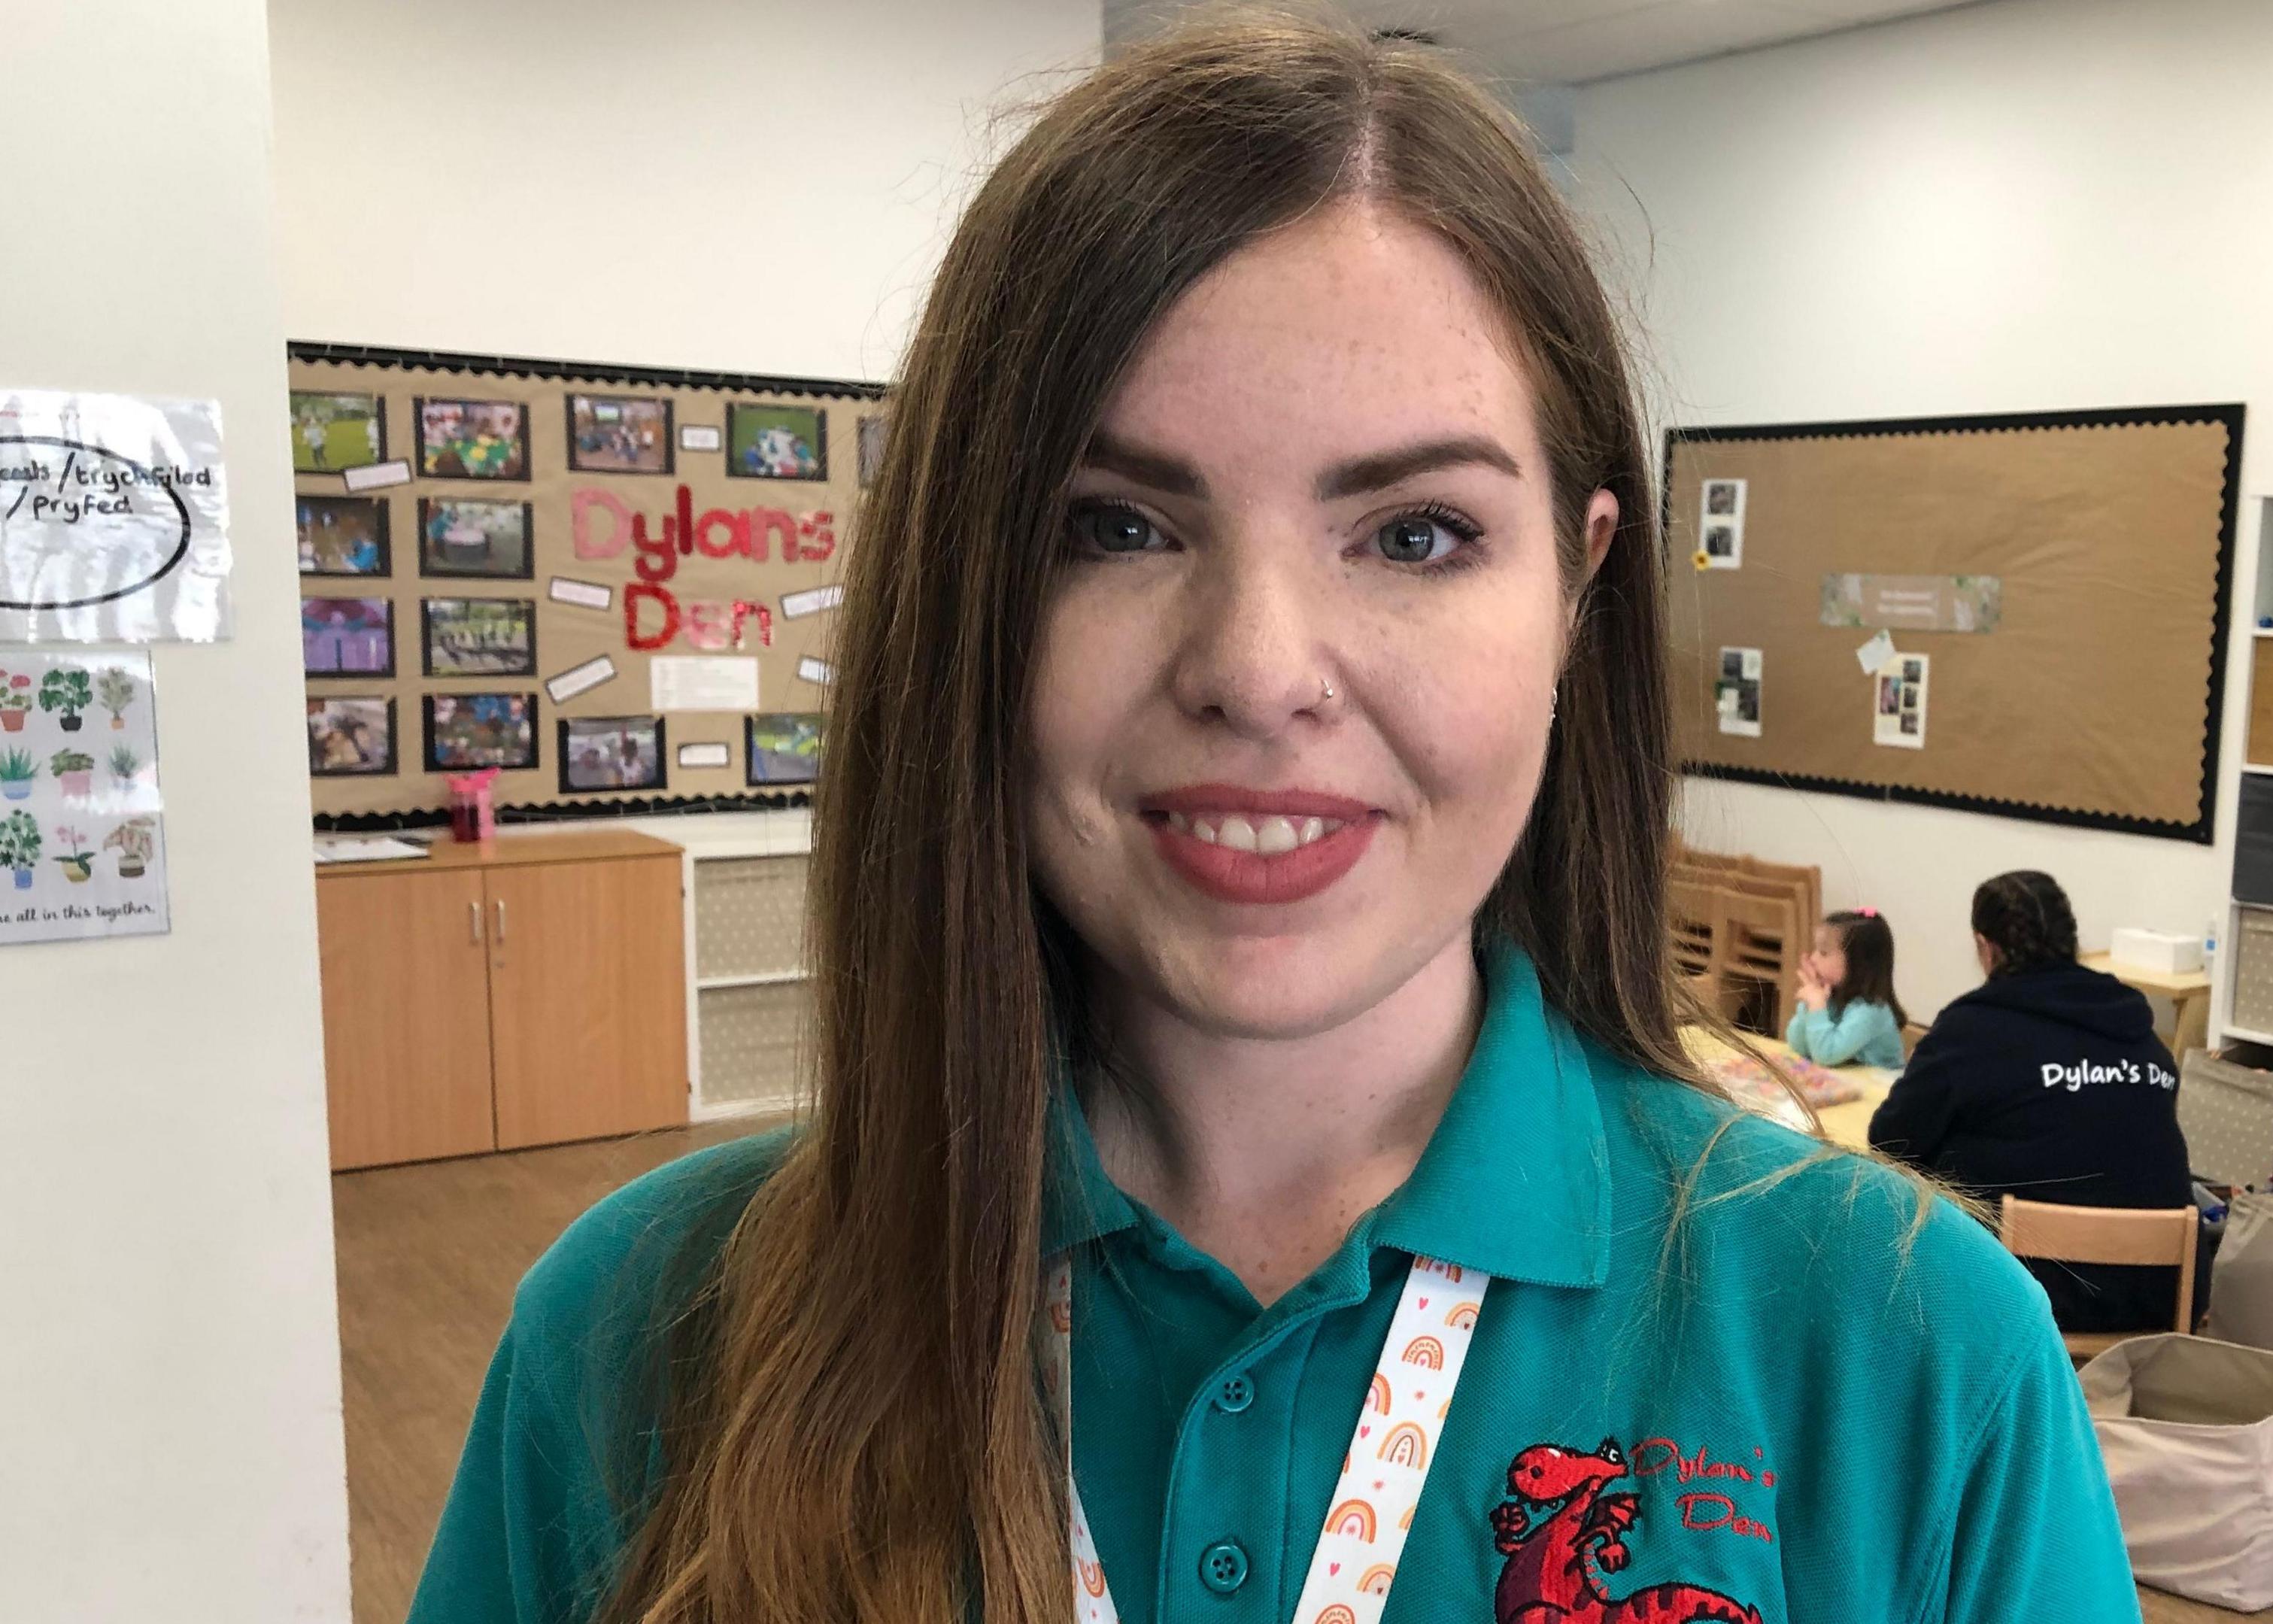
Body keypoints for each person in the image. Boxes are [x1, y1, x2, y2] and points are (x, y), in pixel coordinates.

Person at [408, 22, 2136, 1624]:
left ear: (1579, 592)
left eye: (1413, 535)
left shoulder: (1906, 1350)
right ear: (966, 597)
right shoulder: (637, 1334)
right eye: (1111, 526)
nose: (1256, 668)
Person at [1867, 871, 2200, 1335]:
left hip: (2024, 1299)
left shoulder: (1972, 1029)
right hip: (2154, 1295)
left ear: (1986, 948)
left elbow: (1889, 1142)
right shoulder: (2138, 1030)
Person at [1783, 907, 1907, 1068]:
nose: (1813, 959)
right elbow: (1799, 1046)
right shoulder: (1832, 997)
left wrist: (1816, 1006)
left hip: (1882, 1091)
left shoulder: (1871, 1011)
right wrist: (1808, 1006)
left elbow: (1826, 1055)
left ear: (1858, 963)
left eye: (1823, 953)